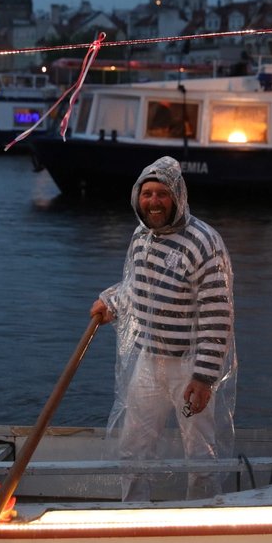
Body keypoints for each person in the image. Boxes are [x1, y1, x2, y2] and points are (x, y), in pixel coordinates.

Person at [91, 156, 236, 501]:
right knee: (135, 446)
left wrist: (203, 378)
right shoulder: (143, 237)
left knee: (199, 453)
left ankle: (201, 518)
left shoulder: (203, 242)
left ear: (177, 197)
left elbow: (217, 313)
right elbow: (138, 287)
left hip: (190, 368)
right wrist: (111, 302)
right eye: (147, 194)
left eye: (162, 194)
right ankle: (134, 515)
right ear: (137, 198)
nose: (153, 202)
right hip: (149, 361)